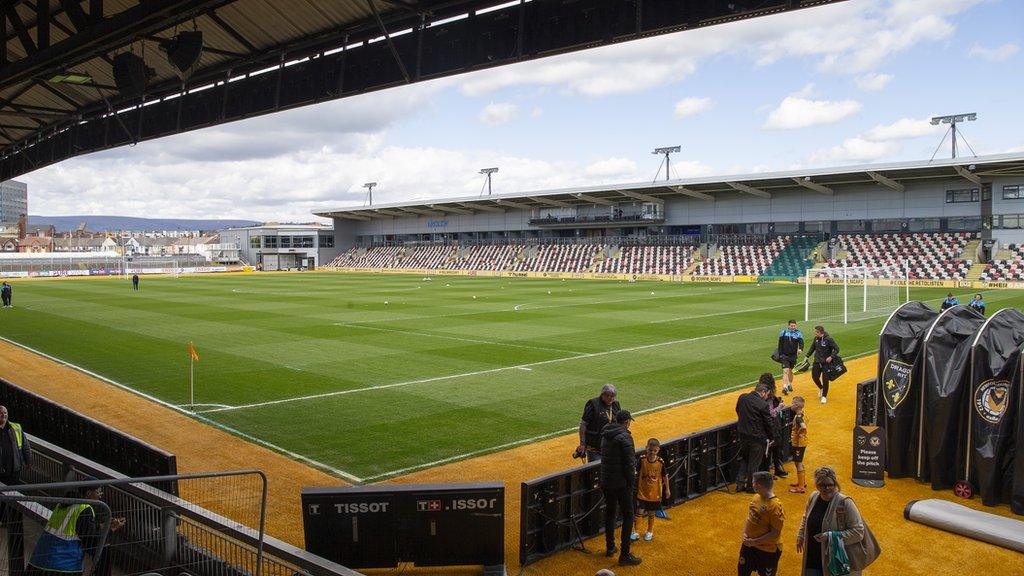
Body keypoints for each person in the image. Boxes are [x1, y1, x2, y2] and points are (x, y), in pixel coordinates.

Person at [28, 483, 125, 576]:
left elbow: (77, 526)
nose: (100, 496)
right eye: (98, 492)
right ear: (88, 493)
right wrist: (111, 529)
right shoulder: (84, 508)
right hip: (63, 564)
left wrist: (101, 526)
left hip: (40, 558)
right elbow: (92, 539)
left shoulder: (64, 504)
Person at [796, 466, 866, 576]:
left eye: (830, 485)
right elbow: (806, 517)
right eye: (823, 485)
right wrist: (801, 534)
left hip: (835, 562)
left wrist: (831, 536)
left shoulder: (845, 503)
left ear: (836, 484)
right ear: (817, 486)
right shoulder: (813, 497)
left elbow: (858, 532)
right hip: (812, 558)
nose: (827, 488)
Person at [600, 410, 641, 566]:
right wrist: (631, 483)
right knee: (628, 515)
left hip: (606, 481)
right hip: (621, 483)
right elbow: (630, 464)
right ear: (626, 422)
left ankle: (610, 547)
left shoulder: (605, 435)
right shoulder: (626, 437)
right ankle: (625, 554)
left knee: (610, 512)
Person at [739, 471, 785, 576]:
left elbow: (775, 533)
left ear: (757, 485)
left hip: (767, 551)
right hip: (749, 546)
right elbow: (750, 517)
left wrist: (754, 542)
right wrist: (744, 534)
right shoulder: (756, 497)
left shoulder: (775, 506)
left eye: (753, 482)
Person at [735, 381, 774, 493]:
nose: (766, 397)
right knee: (754, 463)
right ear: (762, 392)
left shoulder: (742, 397)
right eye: (766, 394)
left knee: (744, 459)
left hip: (743, 435)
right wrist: (772, 438)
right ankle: (751, 487)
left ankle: (739, 484)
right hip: (757, 438)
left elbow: (738, 410)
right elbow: (768, 424)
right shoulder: (763, 405)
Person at [631, 438, 670, 542]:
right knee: (639, 511)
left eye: (655, 451)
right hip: (642, 491)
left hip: (655, 493)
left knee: (651, 512)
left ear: (658, 450)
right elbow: (635, 472)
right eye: (650, 450)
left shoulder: (661, 462)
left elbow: (665, 476)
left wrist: (667, 489)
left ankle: (650, 531)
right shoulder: (642, 459)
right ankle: (636, 531)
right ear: (646, 448)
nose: (652, 453)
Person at [578, 384, 621, 463]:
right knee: (597, 469)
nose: (611, 398)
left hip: (611, 447)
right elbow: (583, 425)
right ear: (602, 395)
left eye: (613, 396)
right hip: (595, 449)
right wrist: (582, 444)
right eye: (608, 396)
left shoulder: (616, 405)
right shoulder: (593, 404)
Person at [762, 375, 788, 479]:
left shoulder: (764, 394)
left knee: (774, 447)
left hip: (770, 425)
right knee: (773, 447)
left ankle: (774, 469)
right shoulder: (768, 396)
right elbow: (771, 413)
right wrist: (779, 408)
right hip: (771, 425)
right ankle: (772, 470)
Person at [805, 326, 839, 405]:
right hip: (817, 361)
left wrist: (831, 357)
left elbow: (837, 349)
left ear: (819, 332)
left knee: (825, 379)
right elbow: (812, 348)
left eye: (815, 332)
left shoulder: (829, 339)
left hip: (826, 363)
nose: (814, 333)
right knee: (815, 377)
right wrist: (807, 356)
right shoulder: (816, 339)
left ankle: (824, 396)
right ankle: (821, 388)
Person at [0, 406, 31, 485]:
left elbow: (25, 445)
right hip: (1, 471)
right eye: (0, 413)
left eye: (5, 413)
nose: (3, 415)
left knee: (13, 489)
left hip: (14, 468)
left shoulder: (15, 427)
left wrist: (28, 461)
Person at [777, 320, 804, 395]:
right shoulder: (783, 333)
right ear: (788, 326)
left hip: (793, 356)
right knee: (785, 370)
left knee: (790, 371)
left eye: (794, 326)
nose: (793, 327)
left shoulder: (798, 333)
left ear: (796, 326)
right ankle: (785, 387)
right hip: (784, 355)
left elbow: (801, 343)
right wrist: (780, 354)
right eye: (791, 326)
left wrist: (800, 349)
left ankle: (789, 384)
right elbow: (780, 344)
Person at [788, 397, 809, 493]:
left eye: (792, 403)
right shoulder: (802, 414)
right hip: (802, 442)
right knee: (798, 462)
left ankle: (801, 487)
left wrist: (798, 433)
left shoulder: (798, 417)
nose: (791, 404)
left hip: (798, 444)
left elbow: (803, 427)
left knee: (798, 463)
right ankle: (802, 482)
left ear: (796, 405)